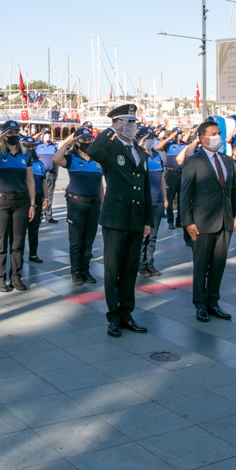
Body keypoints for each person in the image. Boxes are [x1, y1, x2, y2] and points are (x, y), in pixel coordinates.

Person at [86, 104, 152, 338]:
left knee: (130, 269)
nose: (132, 126)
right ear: (117, 123)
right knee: (113, 269)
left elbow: (144, 188)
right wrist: (110, 129)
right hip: (115, 217)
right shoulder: (110, 148)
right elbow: (92, 151)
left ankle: (127, 313)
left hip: (136, 218)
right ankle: (113, 316)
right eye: (127, 121)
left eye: (134, 122)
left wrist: (148, 220)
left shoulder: (140, 151)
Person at [179, 119, 236, 323]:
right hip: (202, 222)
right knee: (201, 265)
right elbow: (185, 194)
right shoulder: (193, 161)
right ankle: (200, 305)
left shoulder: (227, 160)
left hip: (225, 221)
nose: (217, 138)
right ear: (202, 138)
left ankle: (213, 302)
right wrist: (187, 221)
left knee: (218, 264)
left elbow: (233, 190)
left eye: (219, 134)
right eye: (213, 134)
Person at [0, 120, 35, 292]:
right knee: (0, 242)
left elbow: (30, 180)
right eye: (9, 133)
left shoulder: (24, 154)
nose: (13, 136)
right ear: (3, 135)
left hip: (21, 201)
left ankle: (16, 277)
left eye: (16, 132)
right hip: (1, 201)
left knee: (17, 243)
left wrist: (32, 204)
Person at [53, 127, 103, 285]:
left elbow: (100, 183)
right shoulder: (71, 158)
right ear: (77, 142)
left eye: (89, 140)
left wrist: (102, 202)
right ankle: (75, 271)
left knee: (88, 240)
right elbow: (56, 159)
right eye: (83, 140)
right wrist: (68, 142)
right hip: (76, 204)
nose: (87, 143)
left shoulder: (97, 160)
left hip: (93, 203)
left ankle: (85, 270)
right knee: (76, 240)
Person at [138, 127, 166, 277]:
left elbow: (162, 178)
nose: (150, 140)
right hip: (143, 202)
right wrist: (140, 146)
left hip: (157, 201)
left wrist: (165, 198)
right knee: (143, 235)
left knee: (153, 237)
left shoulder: (157, 155)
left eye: (152, 138)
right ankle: (140, 265)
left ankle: (150, 263)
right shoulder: (139, 155)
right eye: (147, 138)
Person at [156, 128, 186, 230]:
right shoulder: (169, 144)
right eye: (177, 133)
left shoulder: (184, 145)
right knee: (170, 197)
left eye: (180, 133)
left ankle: (179, 220)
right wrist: (169, 137)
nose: (179, 135)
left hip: (182, 173)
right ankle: (170, 221)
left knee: (182, 198)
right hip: (172, 173)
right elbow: (158, 147)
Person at [22, 136, 45, 263]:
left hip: (37, 197)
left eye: (32, 146)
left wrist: (45, 198)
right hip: (23, 198)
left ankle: (33, 254)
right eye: (28, 146)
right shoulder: (21, 161)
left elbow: (44, 182)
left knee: (34, 227)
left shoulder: (39, 163)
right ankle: (18, 253)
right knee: (20, 228)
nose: (30, 149)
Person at [35, 130, 59, 223]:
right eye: (45, 134)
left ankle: (48, 215)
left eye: (49, 134)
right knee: (39, 194)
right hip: (39, 174)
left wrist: (56, 173)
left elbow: (57, 162)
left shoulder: (54, 147)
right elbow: (26, 141)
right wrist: (38, 135)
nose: (47, 136)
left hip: (51, 173)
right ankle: (39, 214)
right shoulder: (37, 145)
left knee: (50, 195)